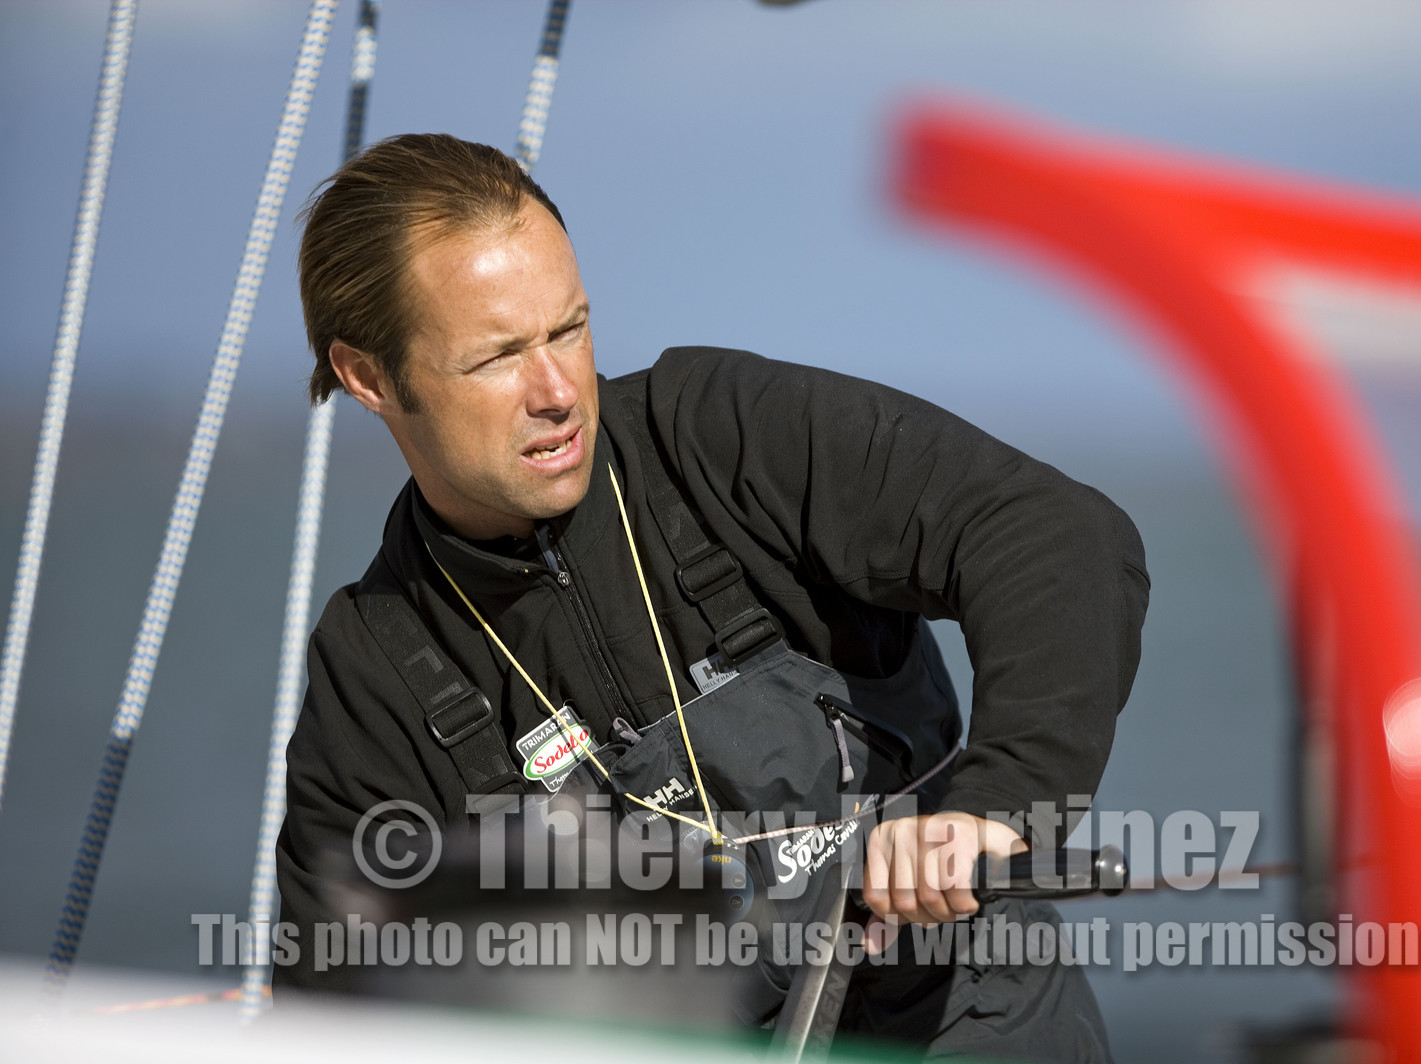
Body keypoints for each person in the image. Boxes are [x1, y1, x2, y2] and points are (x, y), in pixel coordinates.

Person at [275, 132, 1149, 1062]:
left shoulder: (716, 438)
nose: (558, 390)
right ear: (370, 377)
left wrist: (993, 807)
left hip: (963, 1025)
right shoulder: (373, 673)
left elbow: (1059, 537)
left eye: (569, 328)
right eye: (496, 357)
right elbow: (339, 1016)